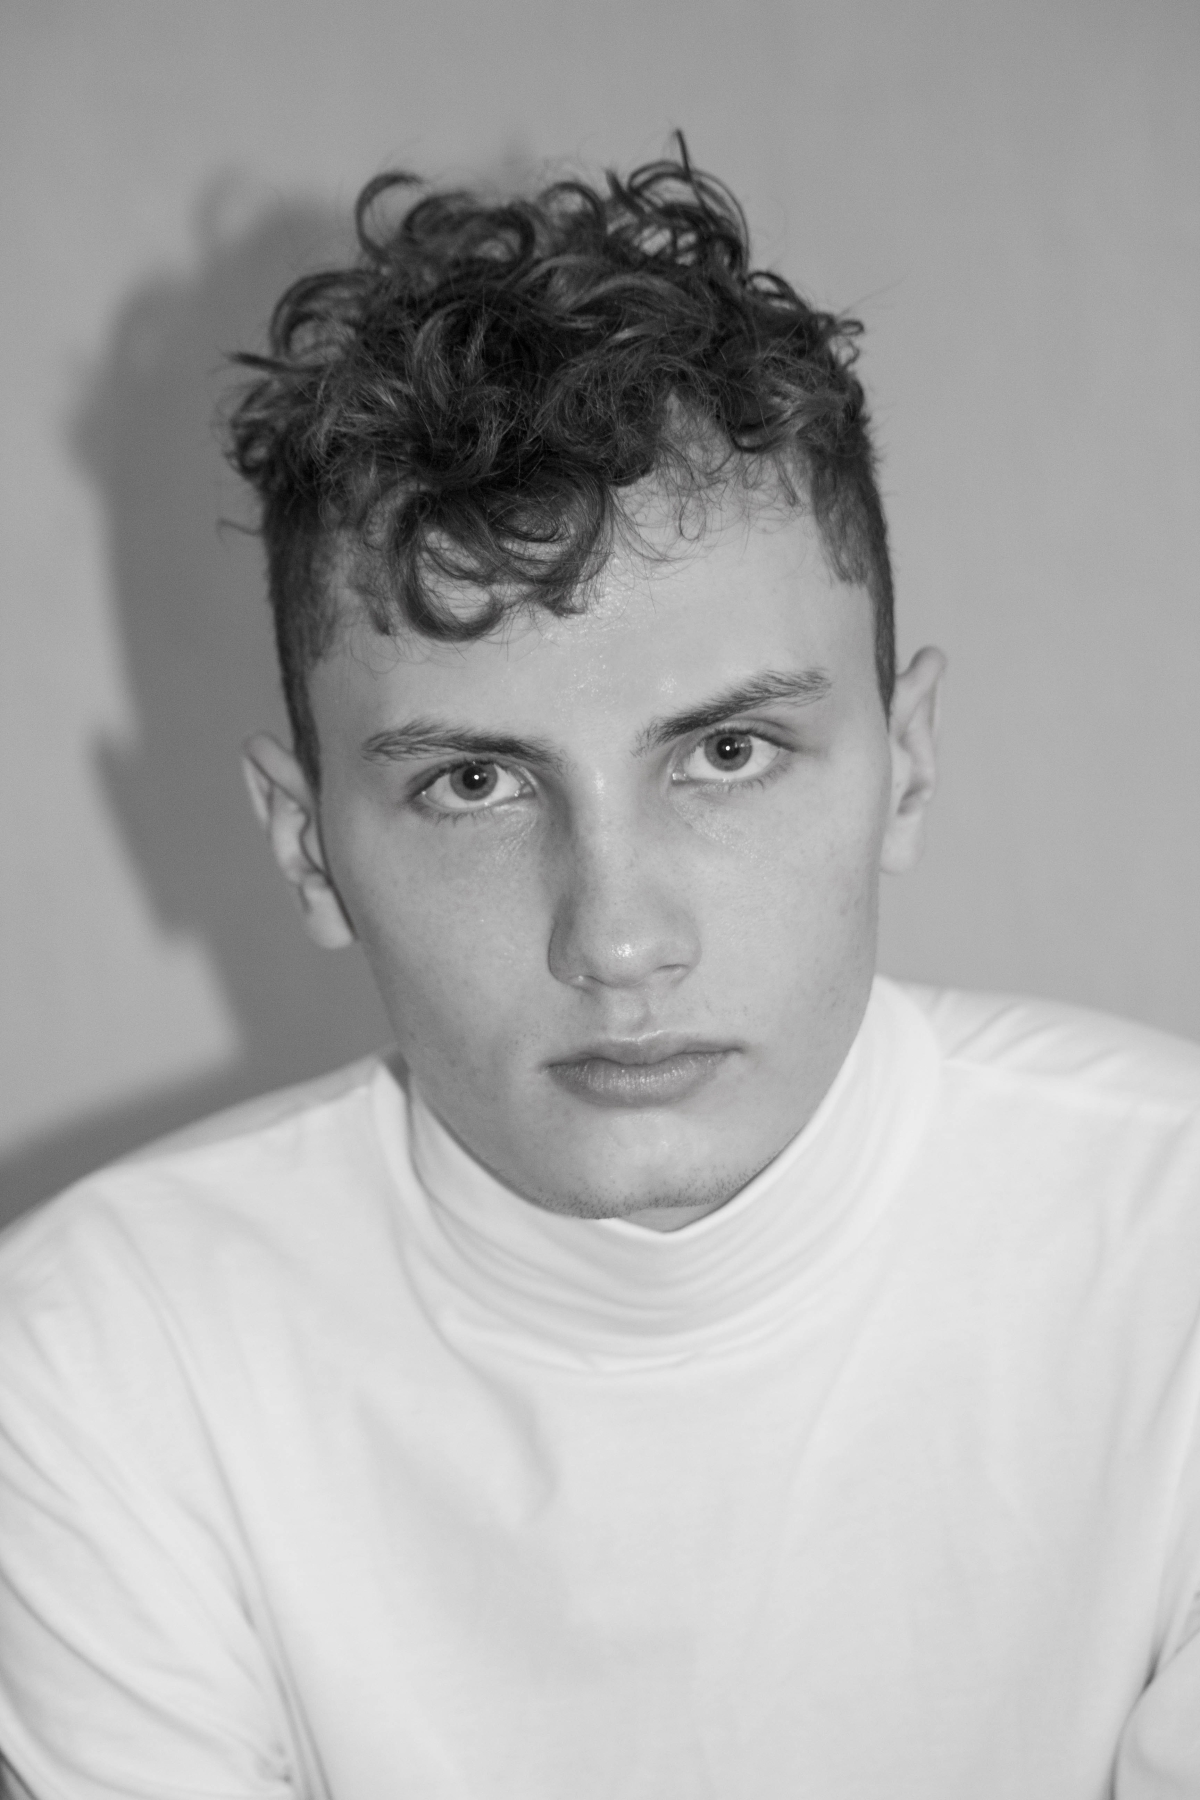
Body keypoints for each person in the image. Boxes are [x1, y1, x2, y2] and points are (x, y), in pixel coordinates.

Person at [1, 143, 1198, 1800]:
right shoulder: (97, 1359)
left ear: (906, 763)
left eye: (727, 752)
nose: (619, 940)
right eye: (474, 783)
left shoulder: (1174, 1254)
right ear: (308, 848)